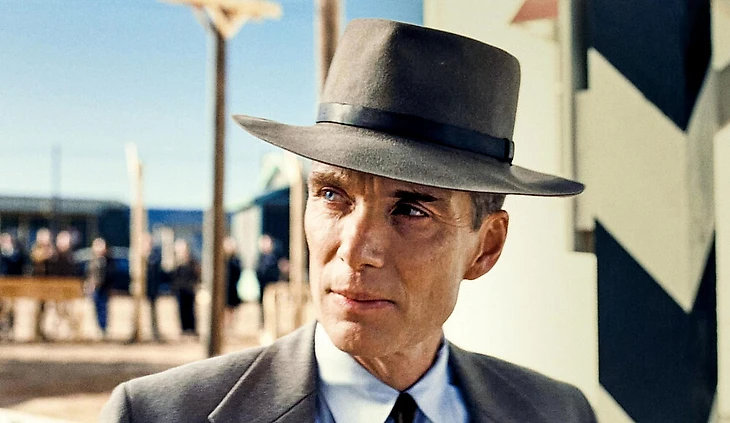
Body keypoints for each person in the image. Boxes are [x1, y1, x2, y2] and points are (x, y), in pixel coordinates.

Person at [101, 19, 597, 422]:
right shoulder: (155, 415)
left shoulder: (558, 413)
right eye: (332, 195)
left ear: (486, 246)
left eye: (411, 210)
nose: (355, 250)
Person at [86, 237, 113, 339]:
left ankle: (103, 329)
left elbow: (110, 275)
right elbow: (89, 275)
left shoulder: (108, 261)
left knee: (103, 309)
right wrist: (89, 285)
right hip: (95, 290)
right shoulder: (92, 261)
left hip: (104, 289)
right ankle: (97, 328)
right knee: (95, 309)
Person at [30, 227, 54, 341]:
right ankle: (36, 332)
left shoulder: (52, 251)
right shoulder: (35, 249)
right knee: (36, 310)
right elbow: (37, 258)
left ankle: (45, 332)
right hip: (37, 285)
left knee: (47, 310)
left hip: (49, 285)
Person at [171, 239, 200, 337]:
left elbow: (196, 274)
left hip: (190, 290)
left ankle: (192, 329)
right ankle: (184, 329)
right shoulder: (176, 263)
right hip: (180, 290)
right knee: (181, 310)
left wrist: (194, 285)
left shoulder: (192, 262)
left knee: (191, 310)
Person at [223, 236, 243, 332]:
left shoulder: (236, 260)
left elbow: (238, 273)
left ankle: (230, 325)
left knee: (231, 308)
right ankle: (224, 325)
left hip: (232, 287)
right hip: (223, 288)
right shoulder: (222, 260)